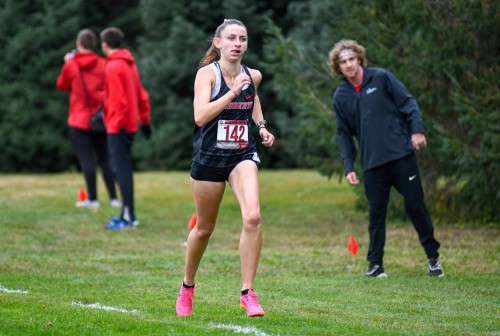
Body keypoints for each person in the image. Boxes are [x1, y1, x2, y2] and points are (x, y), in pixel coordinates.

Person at [175, 19, 275, 317]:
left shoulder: (252, 75)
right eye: (231, 38)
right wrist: (231, 93)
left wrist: (261, 126)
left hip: (241, 155)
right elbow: (200, 116)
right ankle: (187, 287)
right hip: (209, 159)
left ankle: (248, 293)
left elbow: (253, 98)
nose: (237, 44)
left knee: (253, 217)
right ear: (218, 43)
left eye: (242, 39)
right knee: (204, 229)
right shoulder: (207, 75)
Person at [328, 39, 444, 278]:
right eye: (343, 62)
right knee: (376, 215)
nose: (349, 65)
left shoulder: (381, 78)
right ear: (338, 67)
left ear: (359, 59)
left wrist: (417, 131)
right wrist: (349, 165)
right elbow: (343, 134)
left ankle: (433, 258)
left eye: (352, 59)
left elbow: (408, 103)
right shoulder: (341, 96)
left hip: (401, 156)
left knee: (415, 206)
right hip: (372, 164)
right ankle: (375, 265)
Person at [56, 28, 121, 210]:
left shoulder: (71, 65)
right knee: (105, 159)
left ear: (79, 44)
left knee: (87, 161)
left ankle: (92, 199)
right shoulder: (103, 64)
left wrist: (66, 63)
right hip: (100, 119)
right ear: (94, 45)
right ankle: (114, 198)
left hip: (78, 120)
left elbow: (61, 85)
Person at [99, 27, 152, 230]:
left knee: (121, 171)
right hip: (128, 125)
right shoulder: (130, 64)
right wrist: (145, 121)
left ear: (105, 43)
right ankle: (126, 213)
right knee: (123, 169)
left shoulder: (113, 67)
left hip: (118, 126)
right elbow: (142, 95)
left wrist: (117, 125)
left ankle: (129, 217)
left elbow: (119, 101)